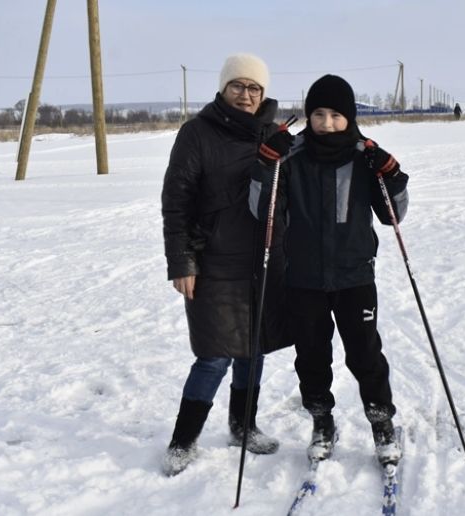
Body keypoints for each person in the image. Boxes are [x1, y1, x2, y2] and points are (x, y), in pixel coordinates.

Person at [250, 74, 408, 466]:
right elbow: (260, 211)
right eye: (318, 114)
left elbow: (393, 215)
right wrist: (264, 166)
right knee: (312, 355)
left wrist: (391, 174)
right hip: (303, 277)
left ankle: (381, 422)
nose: (326, 122)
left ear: (349, 117)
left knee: (365, 355)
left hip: (354, 277)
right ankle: (322, 421)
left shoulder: (363, 157)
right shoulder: (292, 156)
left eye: (335, 115)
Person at [160, 53, 288, 476]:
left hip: (263, 260)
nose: (246, 94)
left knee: (253, 349)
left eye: (254, 87)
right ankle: (183, 440)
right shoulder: (197, 133)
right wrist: (182, 261)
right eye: (238, 85)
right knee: (214, 355)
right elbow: (176, 201)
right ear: (223, 88)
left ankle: (243, 425)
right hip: (212, 261)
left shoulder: (274, 134)